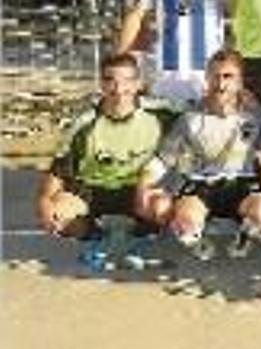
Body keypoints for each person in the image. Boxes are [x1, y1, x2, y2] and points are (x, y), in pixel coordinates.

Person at [136, 50, 261, 261]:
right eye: (215, 76)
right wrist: (143, 187)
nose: (221, 84)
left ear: (240, 82)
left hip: (242, 185)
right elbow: (162, 160)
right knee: (182, 221)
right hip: (202, 186)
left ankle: (244, 238)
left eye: (228, 77)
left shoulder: (255, 115)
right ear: (207, 79)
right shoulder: (190, 118)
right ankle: (197, 242)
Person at [36, 53, 167, 270]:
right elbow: (58, 170)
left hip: (136, 189)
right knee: (56, 215)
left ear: (138, 84)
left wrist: (242, 99)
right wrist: (45, 204)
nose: (118, 88)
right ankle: (95, 237)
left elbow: (205, 111)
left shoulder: (161, 112)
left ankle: (142, 236)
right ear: (101, 84)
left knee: (162, 207)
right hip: (91, 189)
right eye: (110, 80)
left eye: (126, 80)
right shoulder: (84, 123)